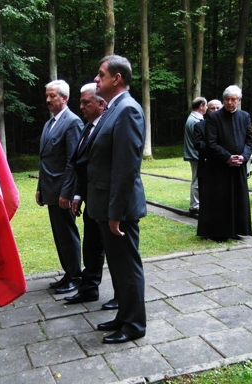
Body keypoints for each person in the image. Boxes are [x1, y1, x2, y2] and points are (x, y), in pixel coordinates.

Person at [88, 55, 147, 344]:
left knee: (127, 267)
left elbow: (126, 167)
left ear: (117, 79)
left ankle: (135, 325)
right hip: (107, 206)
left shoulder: (127, 110)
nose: (96, 80)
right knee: (119, 266)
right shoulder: (113, 109)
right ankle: (124, 316)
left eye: (101, 75)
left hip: (119, 209)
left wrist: (115, 213)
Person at [63, 83, 110, 307]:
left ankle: (123, 297)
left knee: (113, 250)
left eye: (86, 102)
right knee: (91, 247)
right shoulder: (87, 127)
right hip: (91, 200)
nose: (80, 106)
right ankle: (89, 288)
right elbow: (83, 165)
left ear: (101, 104)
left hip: (107, 202)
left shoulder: (108, 127)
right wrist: (79, 195)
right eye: (80, 102)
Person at [36, 79, 83, 294]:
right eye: (47, 96)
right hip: (50, 190)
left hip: (62, 192)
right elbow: (45, 159)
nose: (48, 100)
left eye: (52, 96)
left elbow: (72, 161)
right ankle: (68, 273)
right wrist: (40, 188)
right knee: (59, 235)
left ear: (64, 98)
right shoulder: (49, 123)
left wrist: (67, 192)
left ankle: (75, 276)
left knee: (67, 234)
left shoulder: (72, 122)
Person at [197, 85, 252, 241]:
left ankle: (237, 229)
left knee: (237, 198)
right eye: (227, 99)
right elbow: (211, 142)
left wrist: (244, 156)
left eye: (233, 100)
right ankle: (218, 232)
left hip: (239, 165)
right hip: (219, 166)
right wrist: (227, 157)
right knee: (220, 199)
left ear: (239, 101)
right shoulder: (214, 118)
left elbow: (249, 141)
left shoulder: (245, 116)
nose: (229, 102)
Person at [184, 97, 207, 215]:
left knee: (197, 179)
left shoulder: (192, 118)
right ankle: (195, 205)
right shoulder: (194, 120)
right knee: (197, 180)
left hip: (194, 154)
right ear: (201, 106)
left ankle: (196, 204)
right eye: (206, 106)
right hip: (195, 154)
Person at [193, 99, 222, 185]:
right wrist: (215, 148)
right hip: (206, 165)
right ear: (207, 110)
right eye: (212, 108)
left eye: (218, 108)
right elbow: (198, 144)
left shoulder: (229, 125)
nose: (215, 110)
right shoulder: (199, 126)